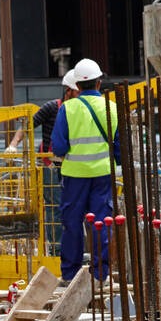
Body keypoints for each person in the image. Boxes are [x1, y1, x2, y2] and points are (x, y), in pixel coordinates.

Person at [49, 58, 118, 282]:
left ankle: (70, 275)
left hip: (74, 176)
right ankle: (100, 274)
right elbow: (119, 147)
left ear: (77, 86)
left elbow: (58, 147)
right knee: (100, 222)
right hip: (102, 176)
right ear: (99, 83)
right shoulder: (112, 107)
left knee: (72, 224)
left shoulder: (67, 109)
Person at [6, 70, 79, 255]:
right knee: (55, 208)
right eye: (78, 91)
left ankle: (72, 250)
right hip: (50, 166)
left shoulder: (80, 111)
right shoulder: (52, 108)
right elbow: (28, 125)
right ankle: (57, 252)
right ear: (68, 91)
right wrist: (13, 145)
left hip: (72, 166)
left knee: (72, 208)